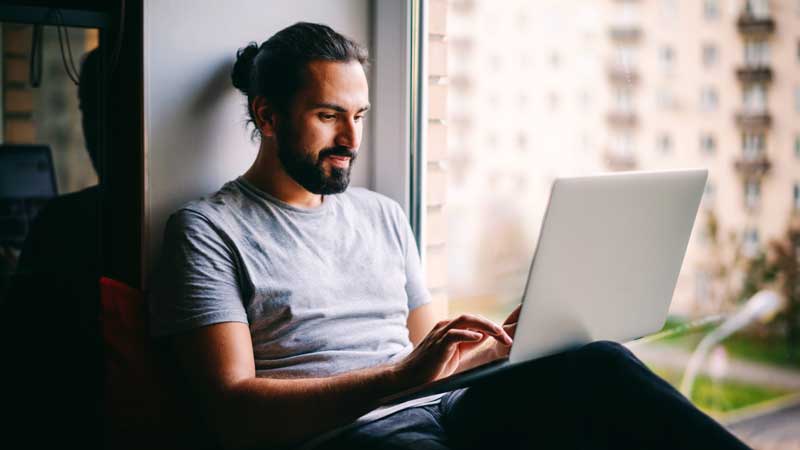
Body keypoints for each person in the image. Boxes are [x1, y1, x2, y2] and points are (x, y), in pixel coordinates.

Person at [149, 22, 750, 450]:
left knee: (600, 365)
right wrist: (398, 379)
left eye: (358, 116)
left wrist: (507, 343)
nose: (352, 141)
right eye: (328, 116)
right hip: (347, 433)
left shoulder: (382, 215)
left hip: (445, 407)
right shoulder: (208, 230)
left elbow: (428, 361)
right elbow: (231, 415)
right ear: (268, 116)